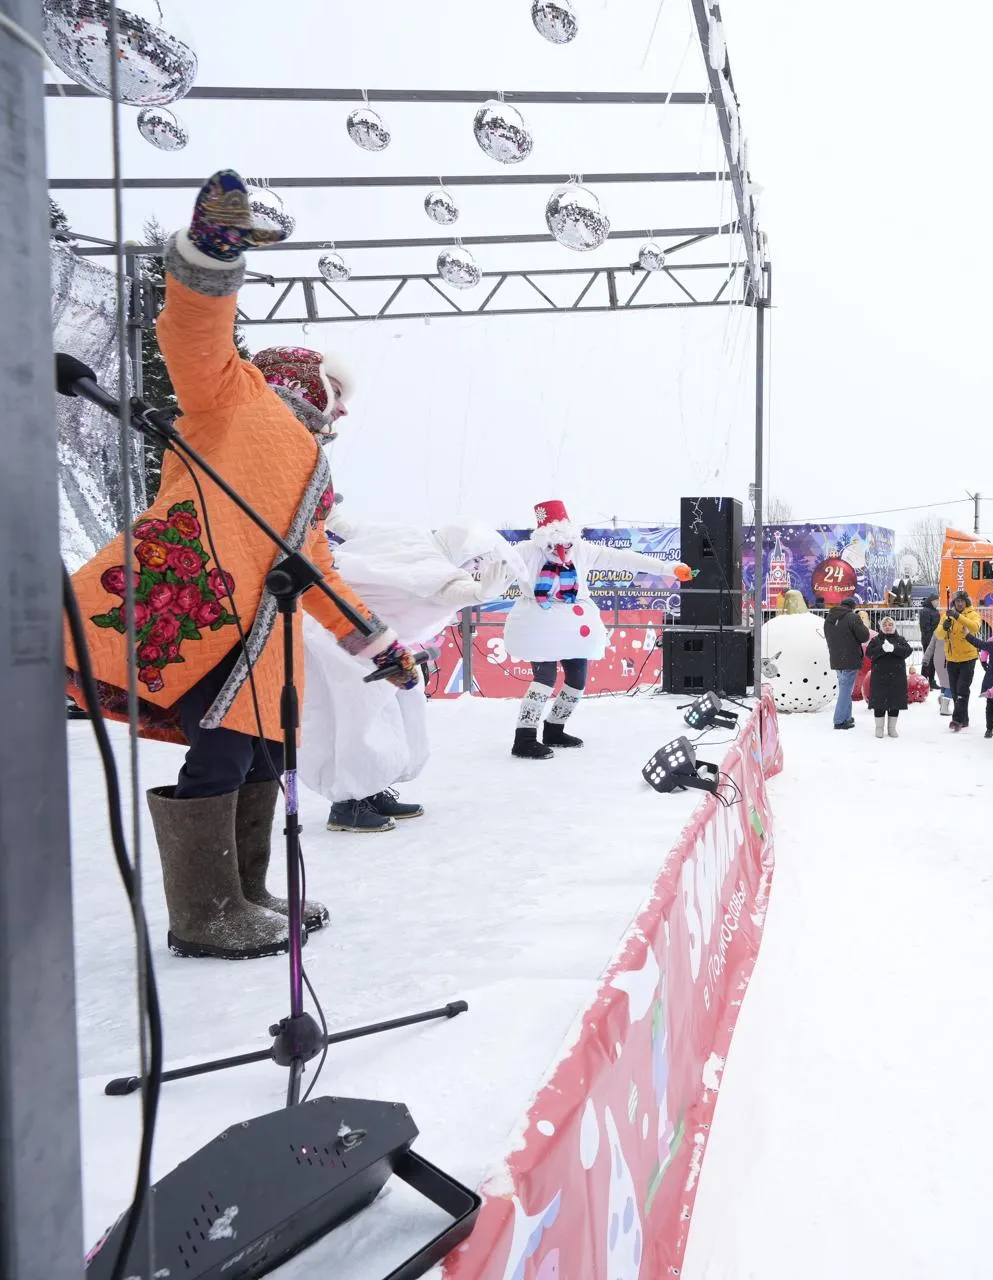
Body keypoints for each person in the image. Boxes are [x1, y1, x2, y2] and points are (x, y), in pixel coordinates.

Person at [63, 170, 422, 959]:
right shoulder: (235, 398)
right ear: (306, 384)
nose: (343, 411)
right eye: (336, 393)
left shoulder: (312, 474)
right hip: (195, 610)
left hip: (258, 641)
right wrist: (212, 257)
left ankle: (245, 893)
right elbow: (194, 333)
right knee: (224, 751)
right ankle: (203, 913)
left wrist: (381, 650)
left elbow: (318, 568)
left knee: (262, 751)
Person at [307, 515, 516, 832]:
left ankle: (371, 788)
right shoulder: (429, 563)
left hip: (374, 645)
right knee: (359, 719)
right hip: (348, 642)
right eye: (475, 561)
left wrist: (328, 510)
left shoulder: (407, 537)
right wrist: (479, 593)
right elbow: (449, 588)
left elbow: (354, 526)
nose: (476, 568)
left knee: (397, 713)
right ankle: (347, 804)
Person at [504, 500, 691, 759]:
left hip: (573, 622)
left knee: (577, 680)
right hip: (541, 621)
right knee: (544, 679)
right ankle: (524, 737)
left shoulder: (581, 551)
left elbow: (622, 558)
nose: (563, 550)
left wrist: (667, 569)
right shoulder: (527, 551)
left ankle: (555, 728)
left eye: (567, 543)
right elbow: (498, 566)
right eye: (555, 545)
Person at [937, 591, 986, 731]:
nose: (959, 603)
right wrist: (944, 627)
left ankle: (956, 720)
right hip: (952, 659)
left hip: (968, 659)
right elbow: (939, 635)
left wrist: (958, 617)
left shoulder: (973, 614)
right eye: (957, 601)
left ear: (966, 602)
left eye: (962, 601)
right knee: (954, 691)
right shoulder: (946, 615)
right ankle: (964, 719)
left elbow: (974, 627)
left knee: (962, 690)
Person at [824, 597, 873, 730]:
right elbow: (864, 636)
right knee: (846, 691)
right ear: (852, 607)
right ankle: (839, 720)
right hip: (850, 658)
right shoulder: (852, 617)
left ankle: (847, 717)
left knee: (845, 689)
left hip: (836, 659)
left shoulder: (829, 618)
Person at [865, 616, 913, 739]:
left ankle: (892, 728)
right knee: (879, 702)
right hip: (880, 676)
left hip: (896, 676)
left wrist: (894, 649)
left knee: (894, 702)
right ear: (881, 627)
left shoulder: (900, 639)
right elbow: (869, 653)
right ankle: (879, 728)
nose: (887, 627)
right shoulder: (876, 640)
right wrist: (882, 649)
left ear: (893, 626)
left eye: (890, 625)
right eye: (885, 625)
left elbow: (907, 651)